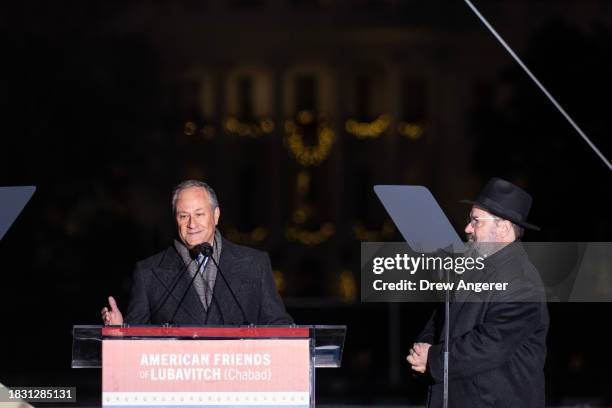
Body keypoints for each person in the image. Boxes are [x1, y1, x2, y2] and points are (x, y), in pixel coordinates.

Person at [406, 177, 549, 408]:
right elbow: (440, 320)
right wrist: (421, 350)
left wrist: (433, 359)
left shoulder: (522, 280)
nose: (467, 229)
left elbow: (491, 345)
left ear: (503, 228)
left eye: (476, 221)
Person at [101, 180, 292, 325]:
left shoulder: (254, 264)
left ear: (216, 215)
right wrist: (121, 332)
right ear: (175, 219)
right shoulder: (148, 273)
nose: (192, 224)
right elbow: (136, 342)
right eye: (184, 216)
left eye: (199, 214)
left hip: (237, 376)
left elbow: (279, 326)